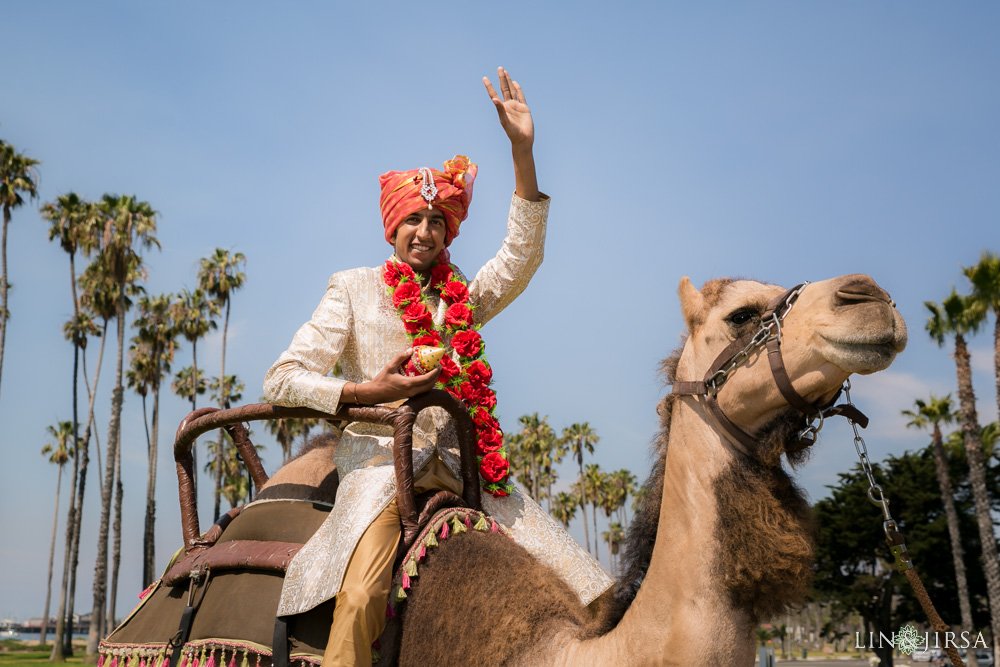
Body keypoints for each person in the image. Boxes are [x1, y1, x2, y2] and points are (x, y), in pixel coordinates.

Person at [263, 68, 613, 666]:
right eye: (413, 221)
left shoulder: (461, 302)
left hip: (466, 471)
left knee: (591, 587)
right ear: (392, 227)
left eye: (437, 222)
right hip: (380, 477)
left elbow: (521, 257)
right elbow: (282, 379)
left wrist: (522, 151)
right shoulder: (352, 289)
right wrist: (369, 389)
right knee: (361, 598)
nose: (425, 232)